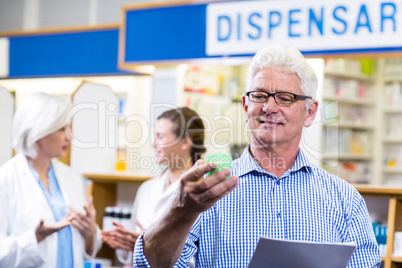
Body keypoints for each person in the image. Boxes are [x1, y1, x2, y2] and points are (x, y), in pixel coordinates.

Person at [132, 45, 381, 267]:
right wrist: (180, 211)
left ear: (310, 112)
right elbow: (150, 265)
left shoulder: (344, 199)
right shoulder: (205, 192)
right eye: (259, 95)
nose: (269, 108)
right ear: (245, 106)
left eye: (285, 98)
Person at [0, 92, 102, 267]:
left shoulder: (71, 177)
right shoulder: (6, 180)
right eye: (62, 129)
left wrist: (90, 232)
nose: (69, 137)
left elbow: (83, 249)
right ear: (39, 130)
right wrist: (36, 237)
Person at [101, 107, 206, 265]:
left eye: (161, 137)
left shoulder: (203, 191)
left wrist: (151, 246)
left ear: (185, 142)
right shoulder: (147, 188)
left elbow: (202, 258)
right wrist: (124, 242)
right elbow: (129, 258)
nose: (153, 143)